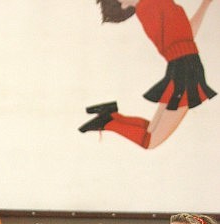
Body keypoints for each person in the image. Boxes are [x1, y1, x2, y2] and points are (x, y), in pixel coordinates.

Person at [79, 0, 216, 150]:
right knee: (150, 141)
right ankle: (108, 121)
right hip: (185, 69)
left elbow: (186, 34)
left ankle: (110, 116)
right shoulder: (148, 8)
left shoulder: (150, 6)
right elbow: (178, 38)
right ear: (123, 5)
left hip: (184, 68)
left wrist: (205, 4)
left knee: (150, 132)